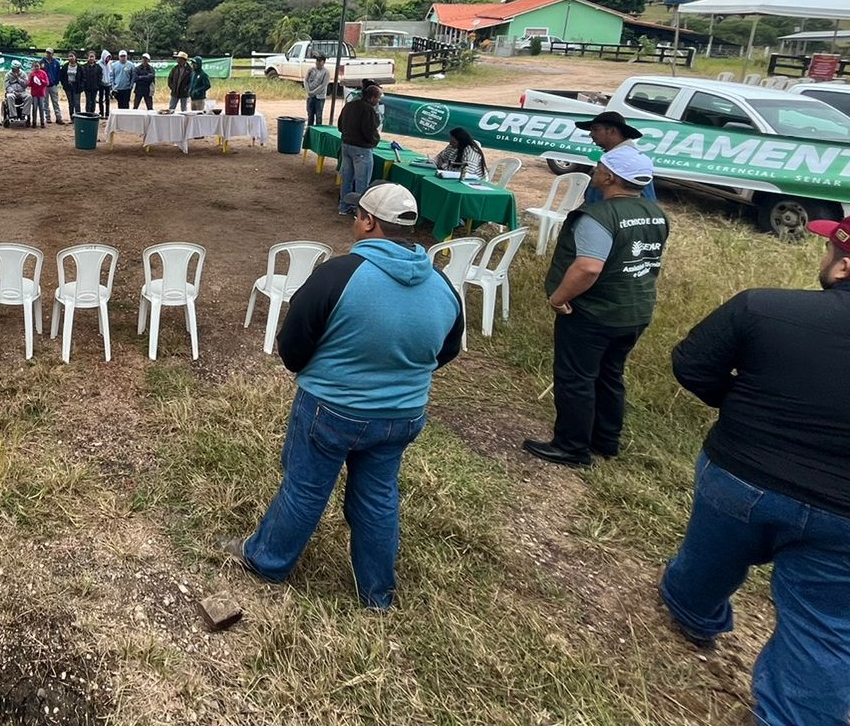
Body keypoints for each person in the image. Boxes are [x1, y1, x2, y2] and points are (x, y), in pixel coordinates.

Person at [225, 184, 464, 606]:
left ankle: (267, 561)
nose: (355, 221)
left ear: (369, 222)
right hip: (403, 415)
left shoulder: (340, 274)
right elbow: (445, 349)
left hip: (332, 409)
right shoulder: (442, 284)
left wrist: (320, 373)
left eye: (357, 215)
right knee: (378, 494)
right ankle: (376, 592)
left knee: (305, 488)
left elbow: (293, 345)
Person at [657, 215, 850, 726]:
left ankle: (694, 614)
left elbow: (691, 364)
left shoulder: (764, 306)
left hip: (741, 476)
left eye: (827, 249)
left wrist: (740, 407)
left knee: (709, 555)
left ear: (844, 265)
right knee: (826, 632)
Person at [523, 145, 668, 467]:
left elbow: (588, 267)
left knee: (576, 378)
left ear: (610, 176)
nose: (595, 171)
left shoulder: (599, 216)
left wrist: (559, 299)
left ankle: (572, 447)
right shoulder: (655, 212)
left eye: (599, 166)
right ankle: (606, 440)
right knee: (610, 375)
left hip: (594, 312)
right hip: (635, 311)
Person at [576, 111, 657, 204]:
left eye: (595, 129)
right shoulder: (616, 156)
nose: (591, 134)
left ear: (611, 131)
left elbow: (647, 200)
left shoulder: (630, 162)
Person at [335, 83, 381, 216]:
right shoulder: (368, 110)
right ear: (372, 98)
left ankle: (343, 207)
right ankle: (359, 212)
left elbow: (339, 125)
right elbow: (369, 131)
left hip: (346, 146)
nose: (378, 101)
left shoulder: (349, 105)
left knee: (347, 179)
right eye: (378, 98)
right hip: (361, 149)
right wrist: (374, 141)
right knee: (362, 182)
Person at [303, 54, 331, 127]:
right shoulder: (311, 70)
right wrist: (308, 91)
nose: (318, 62)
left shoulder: (326, 72)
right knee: (310, 115)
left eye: (320, 61)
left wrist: (313, 92)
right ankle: (309, 131)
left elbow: (323, 85)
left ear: (323, 62)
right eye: (317, 60)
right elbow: (305, 80)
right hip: (310, 96)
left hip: (320, 97)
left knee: (319, 116)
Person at [78, 50, 104, 117]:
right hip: (87, 87)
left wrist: (98, 85)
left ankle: (92, 114)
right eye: (90, 57)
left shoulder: (98, 67)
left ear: (95, 58)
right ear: (88, 57)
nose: (91, 58)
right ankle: (87, 114)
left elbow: (100, 77)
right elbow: (82, 77)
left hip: (95, 87)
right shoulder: (83, 67)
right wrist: (83, 86)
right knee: (88, 101)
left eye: (92, 57)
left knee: (93, 102)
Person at [43, 49, 64, 124]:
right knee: (45, 102)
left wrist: (56, 82)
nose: (48, 54)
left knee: (55, 101)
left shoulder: (56, 63)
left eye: (50, 53)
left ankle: (58, 117)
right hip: (44, 85)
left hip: (53, 85)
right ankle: (47, 117)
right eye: (47, 53)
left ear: (52, 54)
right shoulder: (42, 62)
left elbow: (59, 73)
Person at [59, 51, 81, 121]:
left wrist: (81, 85)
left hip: (77, 86)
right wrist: (64, 84)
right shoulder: (65, 66)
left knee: (77, 103)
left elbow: (83, 77)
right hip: (68, 86)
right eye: (69, 56)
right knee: (70, 103)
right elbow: (62, 76)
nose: (71, 58)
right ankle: (72, 118)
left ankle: (78, 118)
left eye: (72, 56)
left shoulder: (79, 67)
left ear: (75, 57)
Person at [29, 59, 51, 128]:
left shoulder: (43, 73)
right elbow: (29, 84)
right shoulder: (32, 74)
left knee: (41, 108)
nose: (36, 67)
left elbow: (47, 83)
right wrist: (32, 80)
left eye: (37, 66)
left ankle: (42, 122)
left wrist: (42, 81)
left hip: (41, 93)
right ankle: (34, 122)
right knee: (34, 108)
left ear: (40, 66)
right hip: (34, 93)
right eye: (35, 66)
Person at [97, 49, 114, 116]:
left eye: (109, 57)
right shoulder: (98, 64)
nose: (108, 58)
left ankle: (107, 113)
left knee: (107, 99)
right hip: (101, 84)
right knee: (100, 99)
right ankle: (101, 112)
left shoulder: (110, 64)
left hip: (108, 84)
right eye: (107, 57)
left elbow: (111, 73)